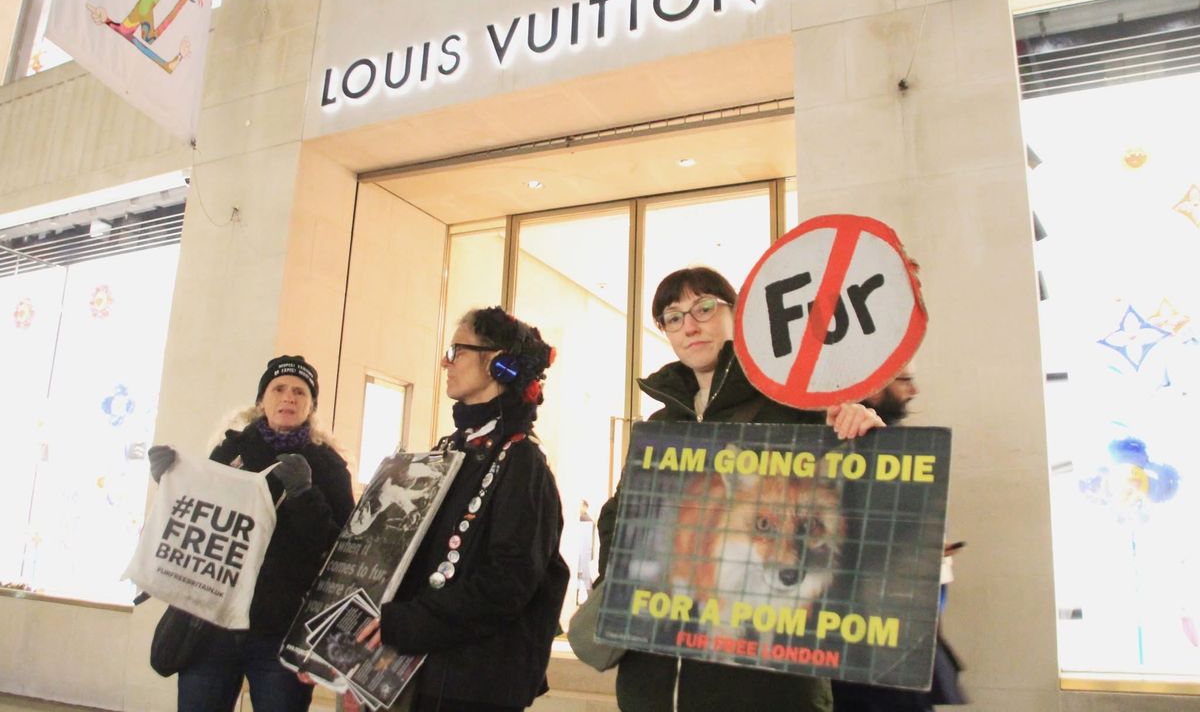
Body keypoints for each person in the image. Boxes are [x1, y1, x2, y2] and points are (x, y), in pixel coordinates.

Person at [595, 267, 885, 712]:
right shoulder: (660, 427)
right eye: (673, 317)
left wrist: (868, 438)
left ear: (737, 315)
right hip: (652, 679)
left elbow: (865, 514)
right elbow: (621, 519)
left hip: (763, 685)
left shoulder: (793, 410)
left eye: (704, 308)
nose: (689, 325)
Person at [355, 307, 570, 712]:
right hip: (418, 675)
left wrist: (405, 622)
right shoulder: (451, 451)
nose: (445, 361)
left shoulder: (521, 462)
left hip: (475, 685)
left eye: (457, 350)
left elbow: (508, 583)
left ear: (497, 364)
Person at [148, 355, 354, 712]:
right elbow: (195, 515)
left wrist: (305, 495)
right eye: (278, 389)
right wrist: (168, 479)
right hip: (211, 623)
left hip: (282, 630)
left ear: (311, 405)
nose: (288, 398)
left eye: (299, 392)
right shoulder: (231, 451)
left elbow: (341, 547)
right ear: (262, 400)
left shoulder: (328, 465)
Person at [832, 359, 968, 712]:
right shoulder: (829, 452)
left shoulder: (907, 459)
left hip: (899, 651)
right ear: (872, 386)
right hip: (858, 656)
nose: (913, 391)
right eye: (904, 380)